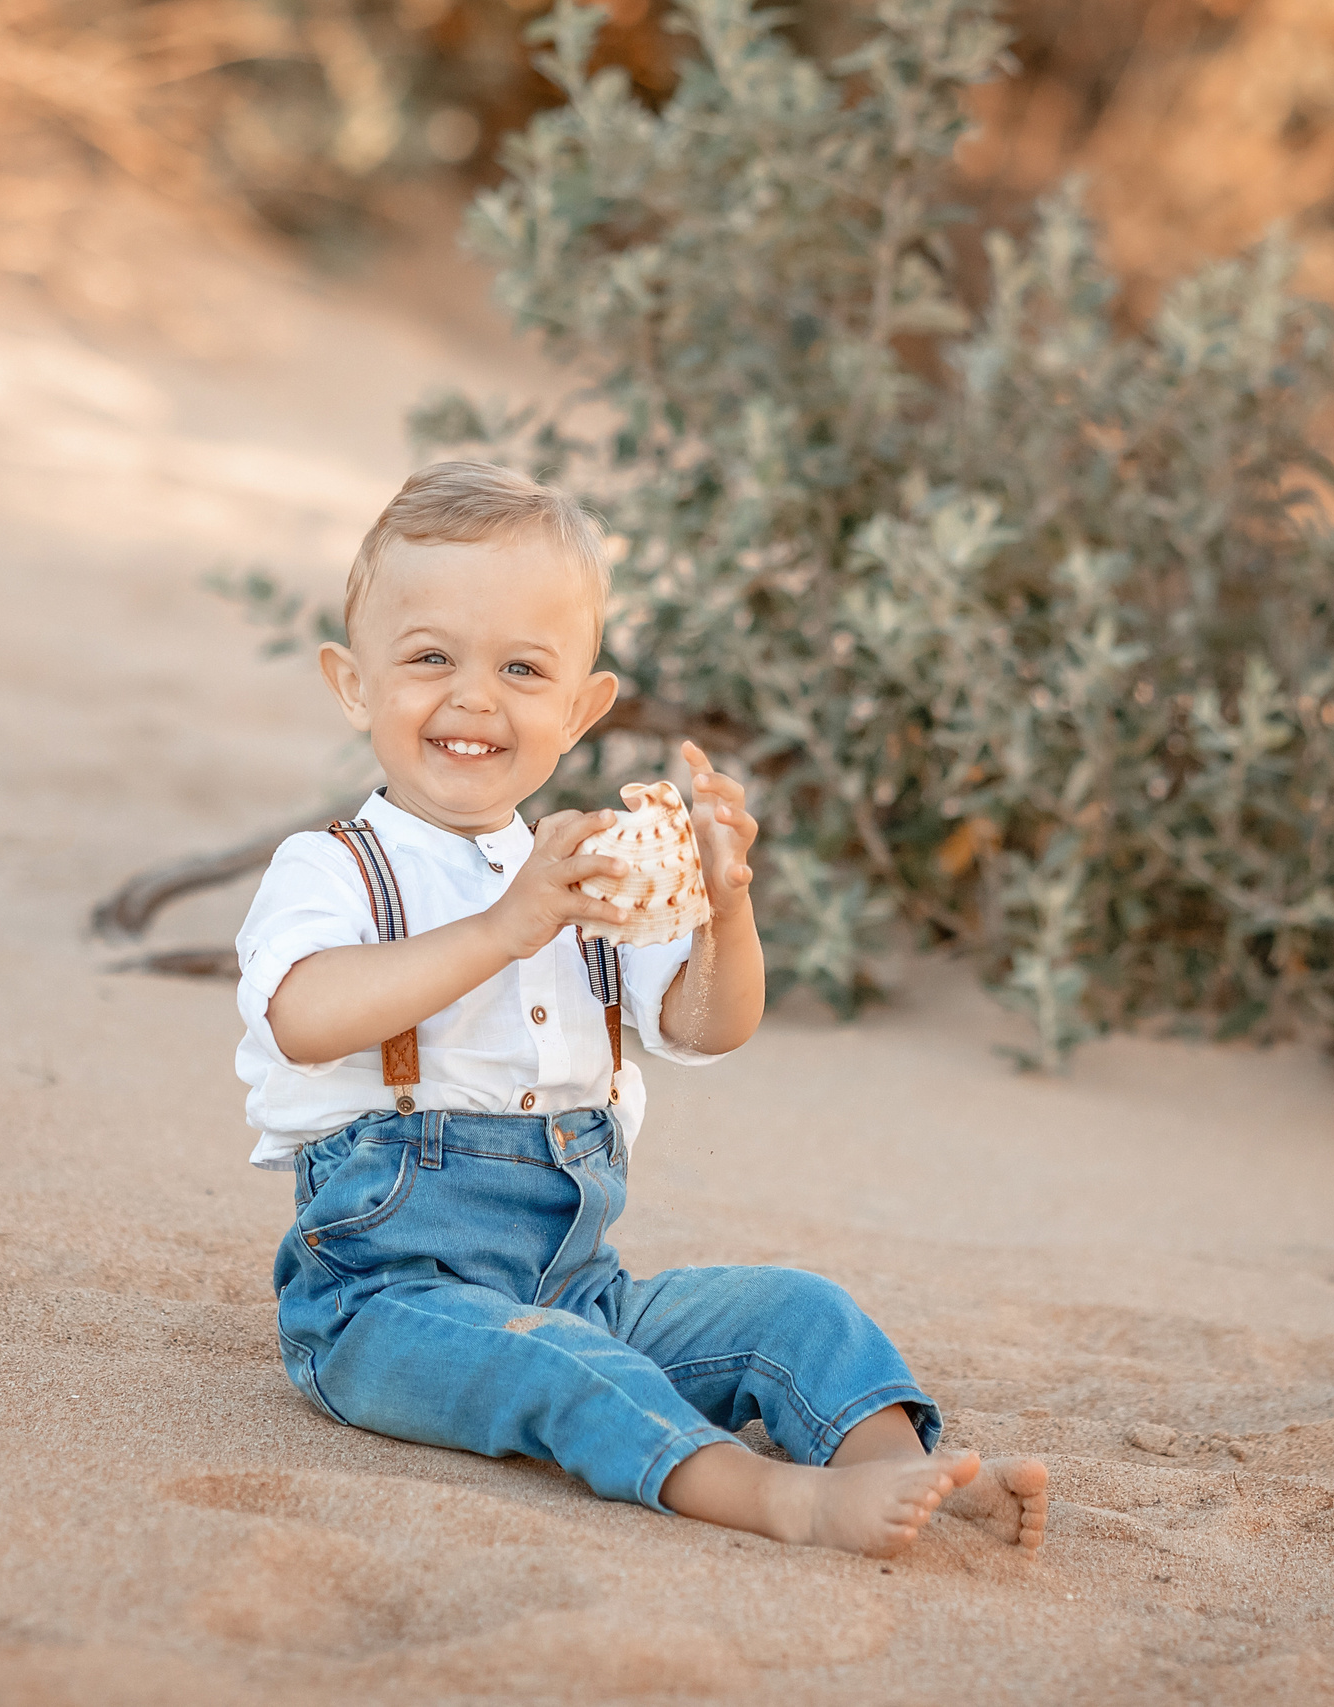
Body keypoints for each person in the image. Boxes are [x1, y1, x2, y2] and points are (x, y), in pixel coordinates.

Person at [233, 460, 1047, 1557]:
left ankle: (898, 1472)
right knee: (563, 1368)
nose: (474, 698)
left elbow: (714, 1024)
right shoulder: (335, 868)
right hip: (381, 1305)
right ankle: (779, 1500)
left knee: (794, 1311)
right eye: (429, 659)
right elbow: (305, 1016)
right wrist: (498, 932)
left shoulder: (593, 878)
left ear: (582, 710)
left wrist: (723, 908)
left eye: (523, 669)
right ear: (352, 683)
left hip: (582, 1286)